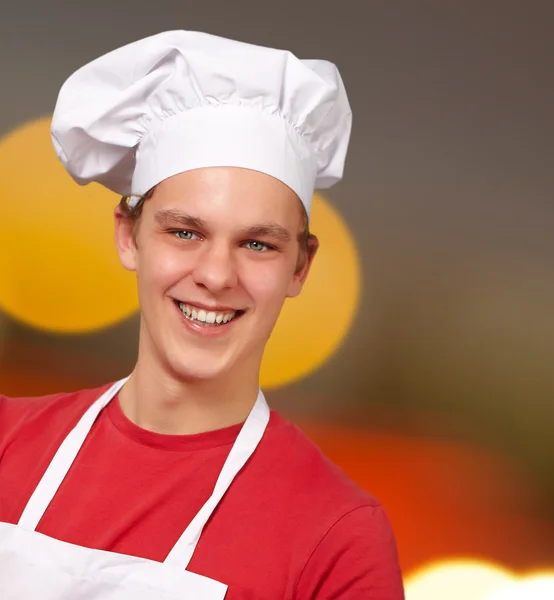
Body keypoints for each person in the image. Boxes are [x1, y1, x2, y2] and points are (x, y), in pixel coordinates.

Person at [0, 30, 404, 599]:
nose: (216, 276)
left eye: (257, 244)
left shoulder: (336, 538)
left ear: (299, 267)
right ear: (128, 235)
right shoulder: (4, 443)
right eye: (185, 232)